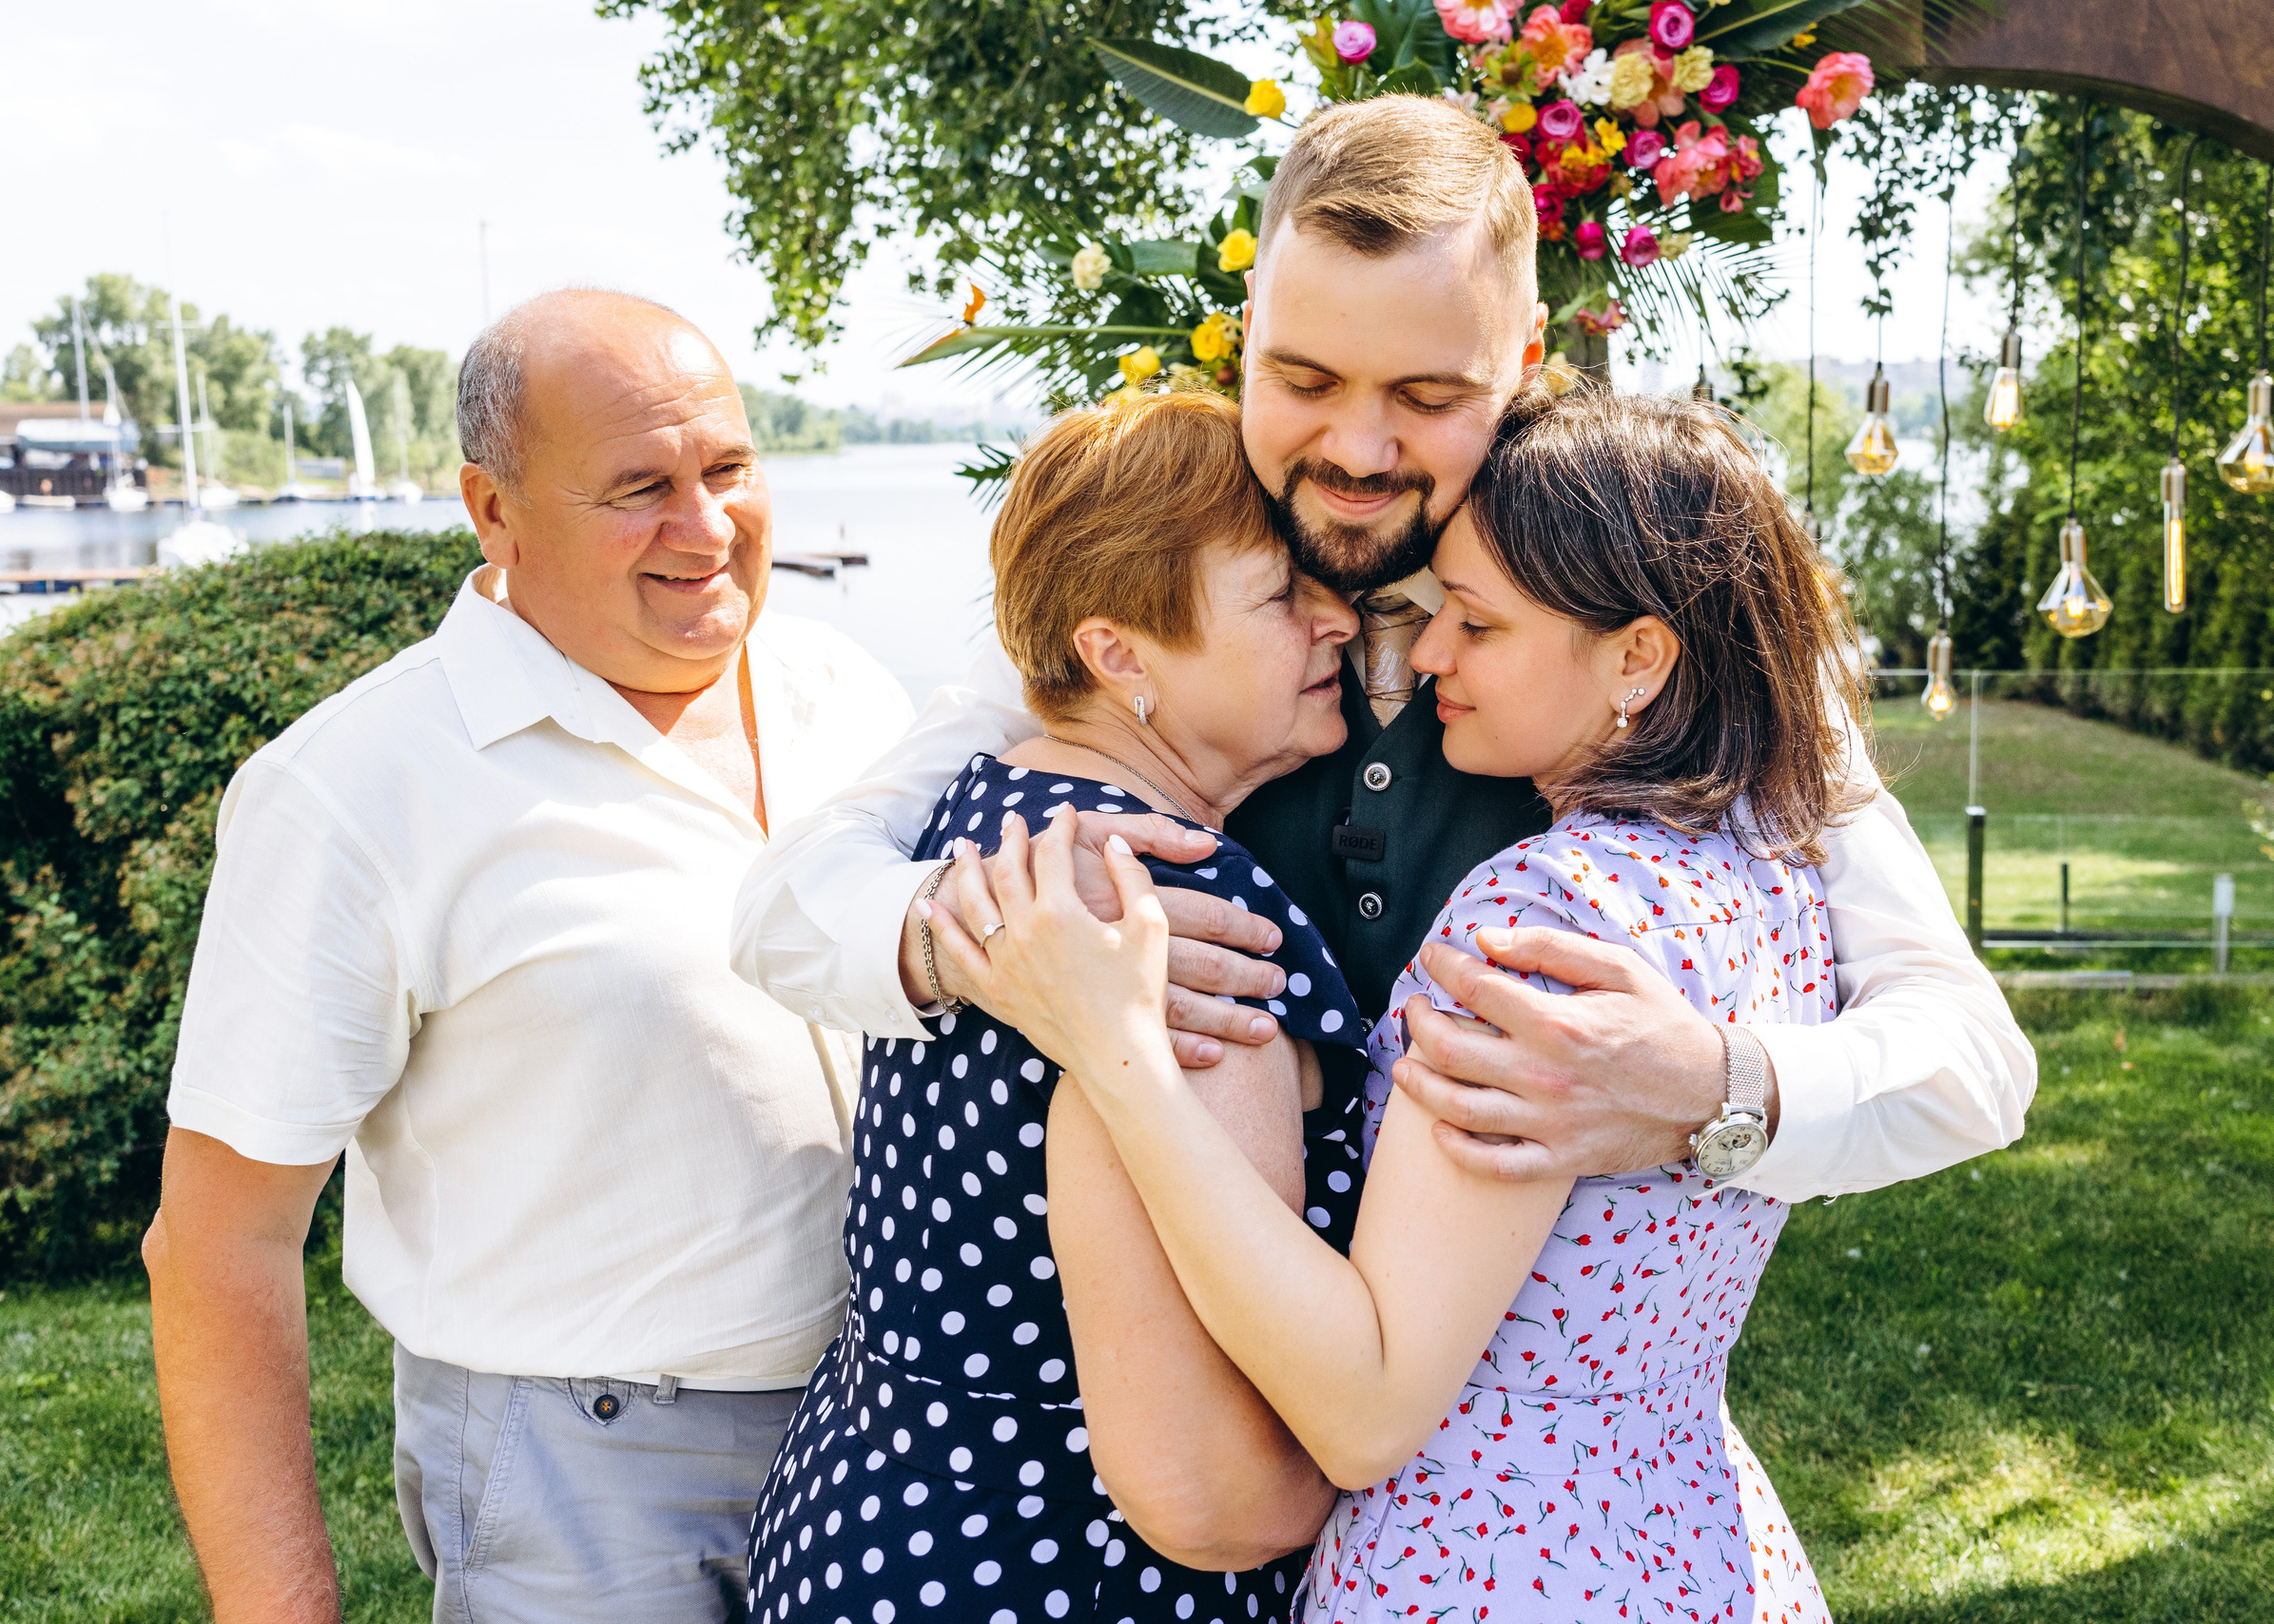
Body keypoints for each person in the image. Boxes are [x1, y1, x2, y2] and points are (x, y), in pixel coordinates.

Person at [731, 94, 2032, 1223]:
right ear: (1249, 327)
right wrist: (986, 941)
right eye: (1304, 380)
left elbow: (1972, 1061)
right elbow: (785, 908)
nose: (1357, 453)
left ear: (1524, 360)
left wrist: (1708, 1085)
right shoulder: (1152, 591)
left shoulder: (1648, 610)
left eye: (1427, 398)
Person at [936, 384, 1849, 1622]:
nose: (1425, 655)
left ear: (1638, 657)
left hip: (1488, 1562)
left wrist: (1114, 1057)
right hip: (1693, 1535)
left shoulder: (1540, 921)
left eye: (1477, 623)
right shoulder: (1774, 871)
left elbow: (1365, 1412)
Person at [143, 289, 912, 1624]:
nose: (706, 526)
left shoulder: (846, 694)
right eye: (640, 488)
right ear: (492, 510)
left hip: (890, 1428)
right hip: (583, 1474)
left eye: (729, 468)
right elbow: (218, 1245)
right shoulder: (353, 786)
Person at [743, 389, 1367, 1624]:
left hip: (859, 1518)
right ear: (1119, 654)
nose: (1338, 619)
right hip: (1056, 1570)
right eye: (1281, 595)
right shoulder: (1167, 911)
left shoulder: (980, 819)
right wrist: (1392, 1474)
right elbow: (1206, 1495)